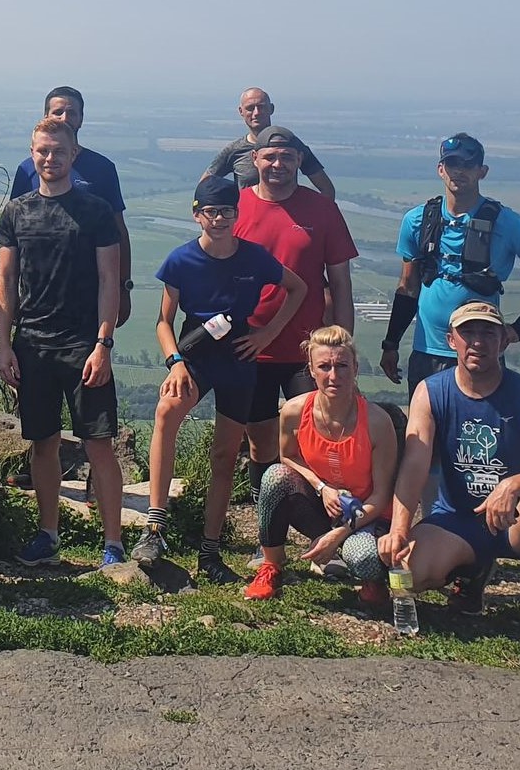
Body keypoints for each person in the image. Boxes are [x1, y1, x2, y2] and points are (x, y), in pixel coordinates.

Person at [380, 302, 520, 669]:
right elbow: (414, 466)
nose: (477, 341)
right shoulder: (432, 392)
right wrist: (398, 530)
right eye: (468, 332)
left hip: (514, 521)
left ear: (503, 341)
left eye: (488, 332)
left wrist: (512, 485)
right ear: (451, 340)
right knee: (407, 575)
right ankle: (472, 574)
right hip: (457, 519)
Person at [132, 175, 308, 583]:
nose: (219, 219)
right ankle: (154, 529)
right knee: (166, 412)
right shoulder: (180, 260)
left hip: (238, 360)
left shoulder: (255, 258)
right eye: (210, 211)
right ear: (197, 215)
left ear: (236, 214)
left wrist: (267, 334)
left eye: (226, 211)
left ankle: (209, 553)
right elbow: (163, 321)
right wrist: (175, 362)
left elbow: (296, 288)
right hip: (195, 355)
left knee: (225, 456)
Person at [0, 118, 124, 566]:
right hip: (33, 343)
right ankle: (48, 534)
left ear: (73, 154)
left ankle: (113, 543)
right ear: (32, 153)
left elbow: (109, 280)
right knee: (43, 443)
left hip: (84, 344)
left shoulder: (96, 211)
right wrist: (4, 345)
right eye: (42, 151)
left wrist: (104, 344)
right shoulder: (16, 212)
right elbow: (5, 280)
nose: (50, 159)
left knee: (99, 443)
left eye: (58, 151)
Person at [232, 127, 357, 502]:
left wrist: (342, 347)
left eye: (286, 157)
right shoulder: (236, 206)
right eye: (270, 157)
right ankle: (266, 516)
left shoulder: (322, 209)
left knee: (318, 435)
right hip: (250, 346)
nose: (278, 164)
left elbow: (341, 283)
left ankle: (321, 519)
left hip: (307, 349)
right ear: (255, 160)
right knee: (260, 440)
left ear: (299, 160)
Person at [380, 133, 520, 387]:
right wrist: (391, 344)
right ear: (441, 169)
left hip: (481, 355)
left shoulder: (507, 223)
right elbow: (408, 286)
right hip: (427, 351)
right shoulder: (417, 220)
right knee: (424, 414)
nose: (459, 171)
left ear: (482, 172)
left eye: (468, 165)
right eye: (452, 163)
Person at [250, 326, 398, 605]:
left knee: (363, 558)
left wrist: (338, 535)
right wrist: (322, 487)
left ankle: (372, 580)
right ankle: (271, 566)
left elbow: (381, 497)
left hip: (368, 516)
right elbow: (288, 457)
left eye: (342, 366)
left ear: (355, 368)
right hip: (324, 507)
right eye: (324, 366)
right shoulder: (294, 411)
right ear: (311, 369)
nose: (333, 376)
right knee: (275, 476)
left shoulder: (377, 422)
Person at [11, 87, 133, 326]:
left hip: (90, 294)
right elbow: (14, 237)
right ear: (46, 116)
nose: (65, 118)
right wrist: (12, 294)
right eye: (58, 112)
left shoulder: (102, 168)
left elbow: (119, 231)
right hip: (36, 296)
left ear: (81, 119)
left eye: (72, 112)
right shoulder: (27, 170)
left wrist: (124, 287)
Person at [205, 87, 336, 198]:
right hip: (249, 218)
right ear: (241, 111)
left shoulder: (291, 145)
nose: (256, 113)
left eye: (261, 107)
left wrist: (316, 216)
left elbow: (326, 189)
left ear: (271, 109)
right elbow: (205, 185)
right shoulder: (234, 150)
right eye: (250, 108)